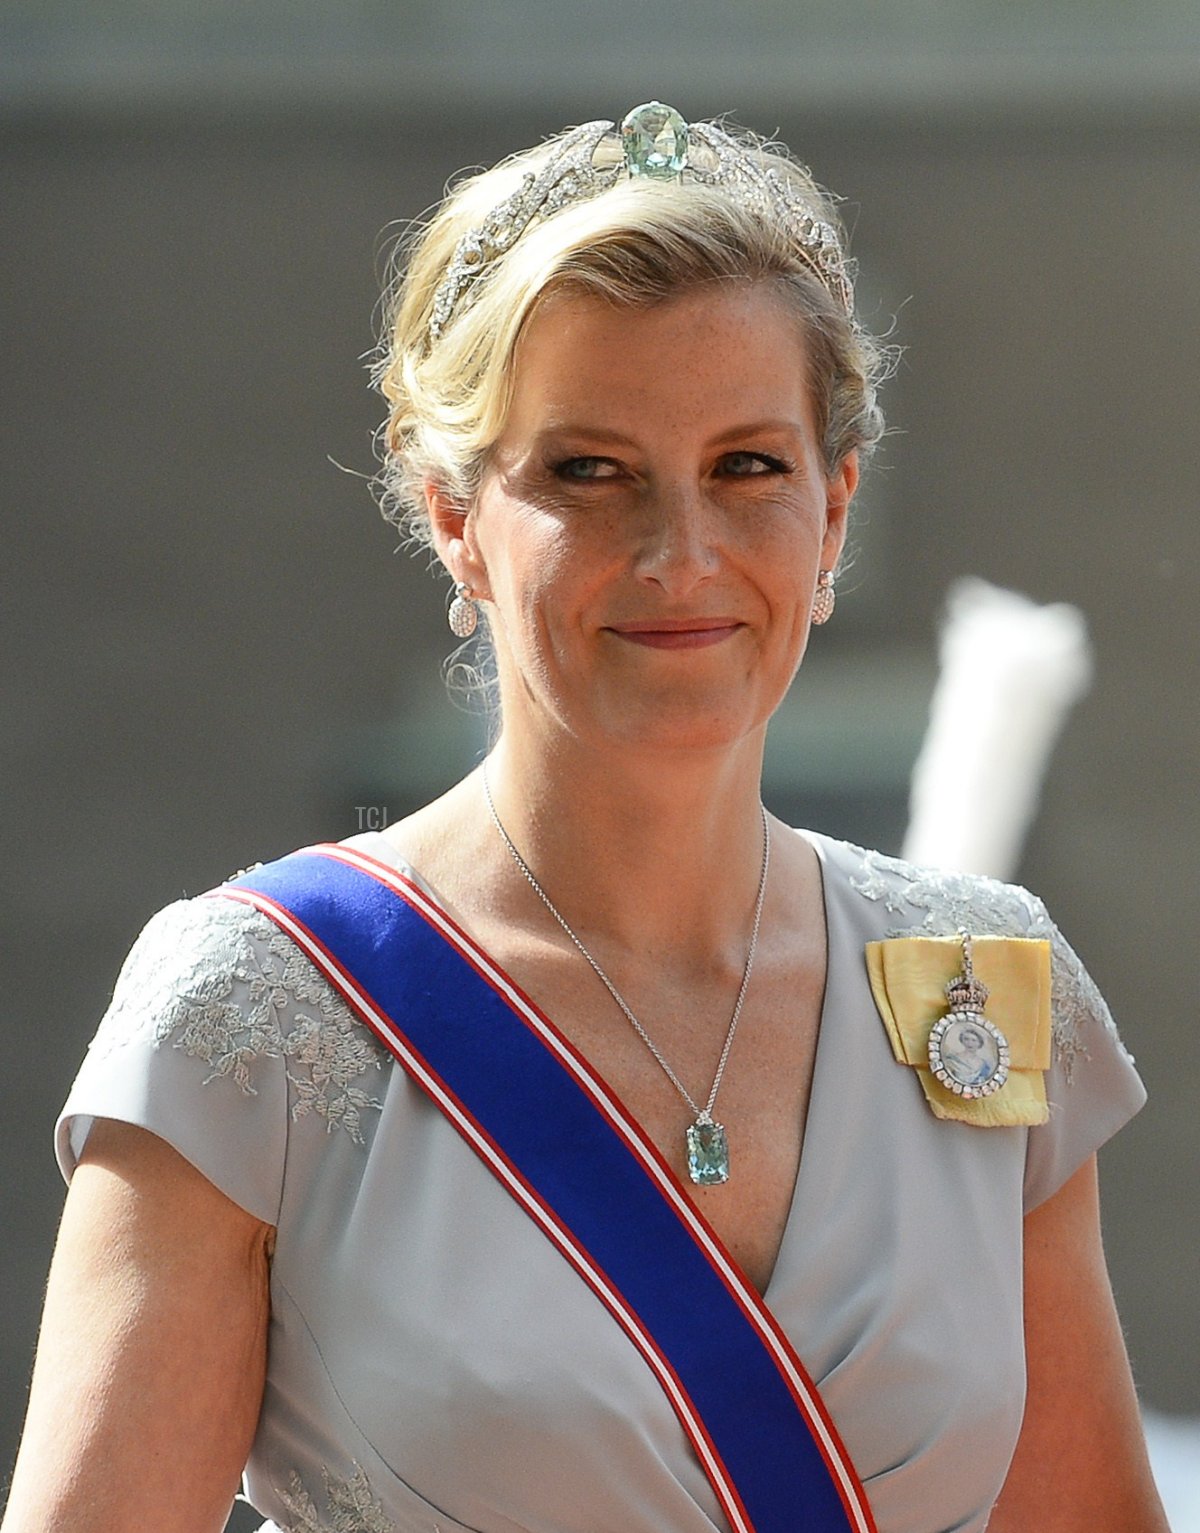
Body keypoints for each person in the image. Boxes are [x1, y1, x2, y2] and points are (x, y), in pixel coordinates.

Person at [2, 103, 1168, 1533]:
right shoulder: (252, 1008)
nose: (681, 553)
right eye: (587, 472)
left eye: (749, 466)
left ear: (836, 509)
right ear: (452, 515)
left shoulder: (985, 986)